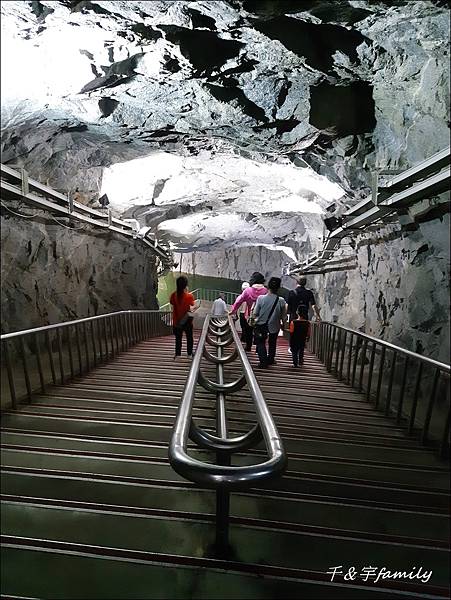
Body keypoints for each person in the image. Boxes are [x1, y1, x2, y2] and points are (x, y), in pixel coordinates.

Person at [252, 277, 287, 368]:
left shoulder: (260, 298)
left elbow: (255, 313)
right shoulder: (281, 300)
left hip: (261, 325)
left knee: (261, 342)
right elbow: (283, 316)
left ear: (268, 287)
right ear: (278, 288)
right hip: (274, 326)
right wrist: (284, 326)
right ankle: (270, 359)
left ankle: (263, 361)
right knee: (272, 342)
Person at [229, 273, 267, 351]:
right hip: (261, 316)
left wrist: (232, 311)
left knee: (248, 331)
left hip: (249, 315)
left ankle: (248, 346)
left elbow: (238, 301)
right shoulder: (265, 291)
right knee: (259, 332)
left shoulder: (248, 290)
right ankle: (258, 348)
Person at [169, 276, 199, 359]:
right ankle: (189, 354)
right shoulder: (189, 296)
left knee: (178, 339)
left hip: (176, 321)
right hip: (187, 321)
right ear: (185, 285)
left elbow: (172, 303)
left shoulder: (173, 295)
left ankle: (178, 354)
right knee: (189, 338)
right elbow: (191, 307)